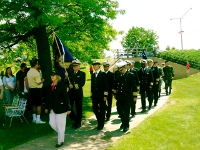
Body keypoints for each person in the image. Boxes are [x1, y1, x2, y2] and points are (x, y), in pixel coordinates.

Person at [45, 70, 71, 148]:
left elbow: (66, 97)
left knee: (60, 124)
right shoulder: (50, 85)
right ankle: (61, 133)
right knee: (52, 123)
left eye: (53, 75)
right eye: (51, 75)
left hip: (61, 108)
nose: (52, 76)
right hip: (52, 108)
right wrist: (46, 107)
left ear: (57, 76)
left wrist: (68, 108)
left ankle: (60, 141)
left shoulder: (61, 85)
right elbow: (48, 98)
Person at [113, 61, 137, 132]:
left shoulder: (130, 75)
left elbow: (134, 86)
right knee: (119, 111)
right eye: (119, 69)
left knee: (126, 112)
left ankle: (126, 125)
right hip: (120, 97)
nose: (120, 71)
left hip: (127, 97)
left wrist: (134, 96)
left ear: (124, 68)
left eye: (121, 69)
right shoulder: (118, 74)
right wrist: (114, 93)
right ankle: (123, 122)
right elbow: (115, 84)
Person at [65, 59, 86, 129]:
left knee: (78, 109)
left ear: (79, 66)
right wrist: (66, 77)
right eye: (73, 66)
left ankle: (78, 122)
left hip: (78, 94)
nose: (74, 67)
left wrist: (73, 86)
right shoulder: (70, 73)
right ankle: (75, 119)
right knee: (69, 107)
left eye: (76, 66)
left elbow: (82, 84)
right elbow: (66, 82)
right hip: (71, 93)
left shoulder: (82, 74)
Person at [91, 60, 108, 130]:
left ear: (99, 66)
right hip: (95, 95)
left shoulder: (103, 74)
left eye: (95, 65)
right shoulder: (93, 75)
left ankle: (101, 124)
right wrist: (91, 95)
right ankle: (99, 121)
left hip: (102, 95)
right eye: (93, 65)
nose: (94, 66)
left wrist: (105, 95)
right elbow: (92, 86)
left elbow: (106, 85)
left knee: (102, 109)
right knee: (95, 109)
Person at [27, 57, 45, 124]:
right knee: (39, 105)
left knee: (33, 104)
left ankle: (34, 119)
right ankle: (38, 119)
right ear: (36, 64)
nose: (38, 65)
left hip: (31, 89)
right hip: (37, 90)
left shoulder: (29, 72)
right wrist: (42, 80)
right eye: (38, 64)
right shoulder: (36, 72)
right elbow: (38, 82)